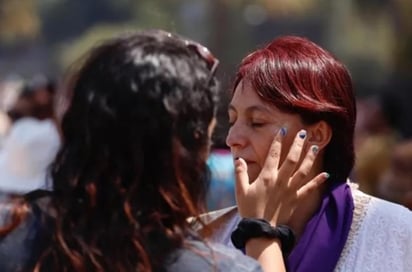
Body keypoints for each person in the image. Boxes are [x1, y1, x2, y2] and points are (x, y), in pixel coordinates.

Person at [0, 30, 325, 272]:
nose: (233, 141)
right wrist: (262, 232)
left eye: (256, 122)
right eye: (221, 128)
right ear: (187, 155)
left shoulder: (11, 233)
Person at [201, 36, 412, 272]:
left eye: (257, 122)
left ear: (318, 135)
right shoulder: (206, 240)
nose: (232, 139)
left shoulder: (397, 234)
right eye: (232, 120)